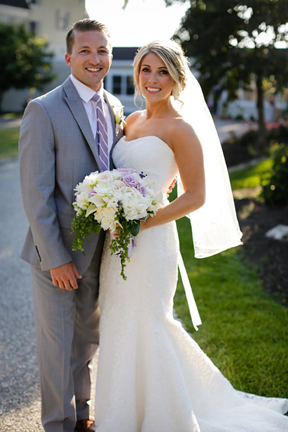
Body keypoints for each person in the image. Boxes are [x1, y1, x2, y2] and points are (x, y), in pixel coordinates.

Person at [93, 40, 288, 431]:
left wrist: (143, 221)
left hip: (152, 241)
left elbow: (196, 195)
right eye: (147, 70)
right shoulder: (129, 123)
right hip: (117, 244)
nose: (153, 79)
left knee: (149, 320)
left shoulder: (182, 130)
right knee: (117, 319)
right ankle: (123, 413)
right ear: (137, 74)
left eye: (163, 71)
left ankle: (168, 417)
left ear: (177, 79)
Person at [19, 19, 123, 432]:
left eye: (102, 51)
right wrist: (56, 258)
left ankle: (82, 414)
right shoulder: (43, 109)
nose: (94, 59)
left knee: (85, 340)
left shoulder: (113, 107)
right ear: (69, 57)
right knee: (58, 345)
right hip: (57, 253)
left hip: (100, 251)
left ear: (110, 57)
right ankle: (57, 424)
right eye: (85, 51)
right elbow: (35, 195)